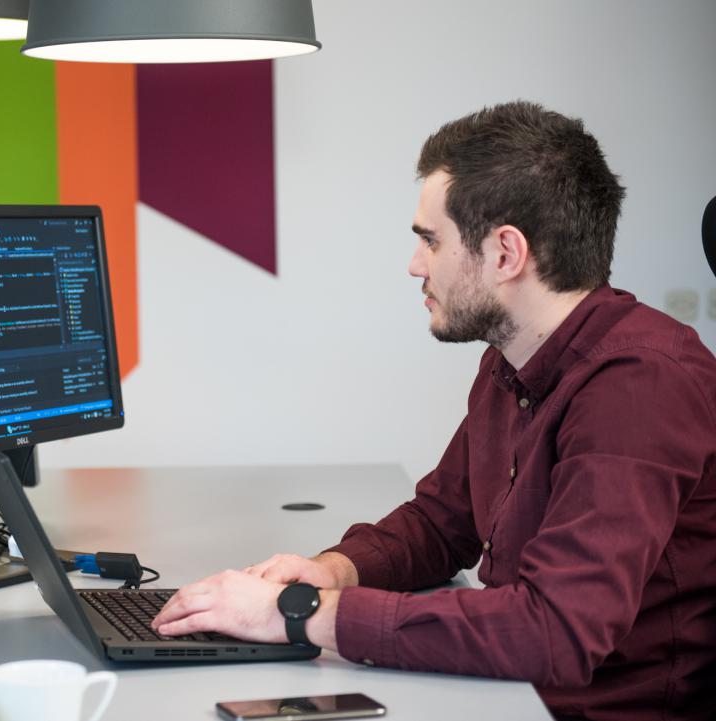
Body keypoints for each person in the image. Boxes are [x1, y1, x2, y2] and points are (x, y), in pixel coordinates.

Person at [152, 101, 716, 721]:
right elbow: (443, 521)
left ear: (506, 253)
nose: (415, 265)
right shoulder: (513, 362)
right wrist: (330, 572)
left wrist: (299, 617)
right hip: (508, 694)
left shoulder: (638, 388)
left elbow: (554, 632)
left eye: (430, 240)